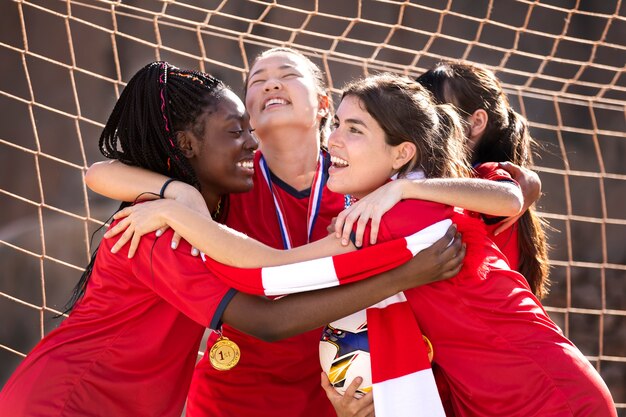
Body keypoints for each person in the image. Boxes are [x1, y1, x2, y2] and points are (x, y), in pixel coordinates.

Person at [108, 73, 617, 417]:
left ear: (401, 153)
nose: (334, 143)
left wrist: (173, 209)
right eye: (337, 128)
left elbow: (266, 277)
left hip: (547, 399)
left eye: (353, 130)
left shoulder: (398, 214)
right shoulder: (394, 205)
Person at [0, 63, 466, 417]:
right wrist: (404, 274)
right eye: (235, 131)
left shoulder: (211, 206)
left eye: (249, 130)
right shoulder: (160, 228)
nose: (250, 142)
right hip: (68, 401)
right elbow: (266, 319)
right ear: (186, 145)